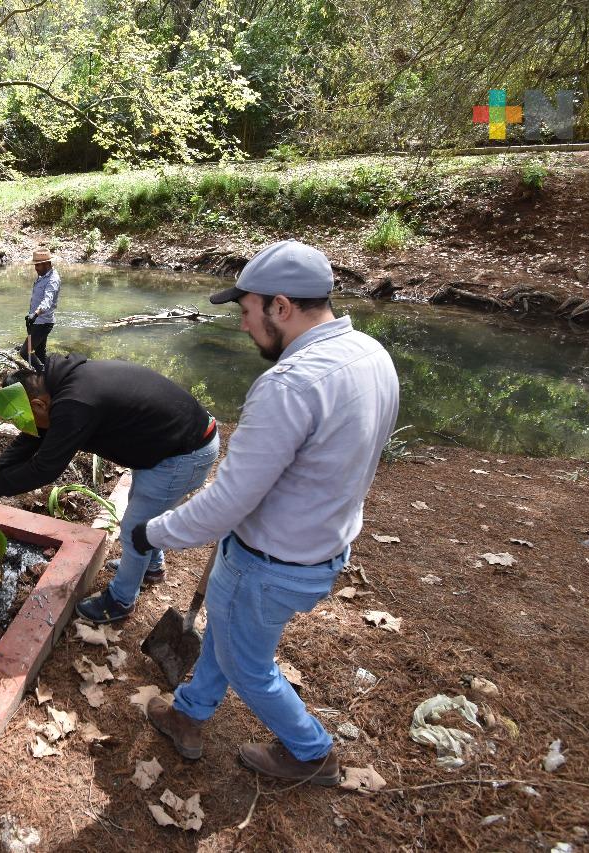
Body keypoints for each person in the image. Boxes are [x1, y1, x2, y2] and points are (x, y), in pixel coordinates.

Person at [129, 239, 399, 787]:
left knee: (250, 667)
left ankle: (311, 751)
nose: (245, 326)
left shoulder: (288, 386)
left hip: (270, 564)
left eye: (247, 312)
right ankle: (189, 710)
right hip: (319, 547)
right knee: (230, 638)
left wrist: (149, 532)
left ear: (280, 306)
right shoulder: (372, 354)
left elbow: (226, 501)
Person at [0, 356, 219, 620]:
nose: (27, 428)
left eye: (27, 419)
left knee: (134, 529)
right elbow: (33, 436)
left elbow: (44, 468)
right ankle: (151, 568)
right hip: (168, 441)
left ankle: (120, 602)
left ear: (38, 403)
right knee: (145, 511)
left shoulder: (75, 404)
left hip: (185, 453)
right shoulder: (59, 383)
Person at [23, 247, 61, 364]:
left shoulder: (52, 280)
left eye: (37, 265)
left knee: (25, 351)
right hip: (38, 321)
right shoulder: (43, 276)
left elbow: (47, 301)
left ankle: (41, 373)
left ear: (46, 264)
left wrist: (35, 315)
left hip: (43, 322)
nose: (35, 268)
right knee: (39, 354)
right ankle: (45, 377)